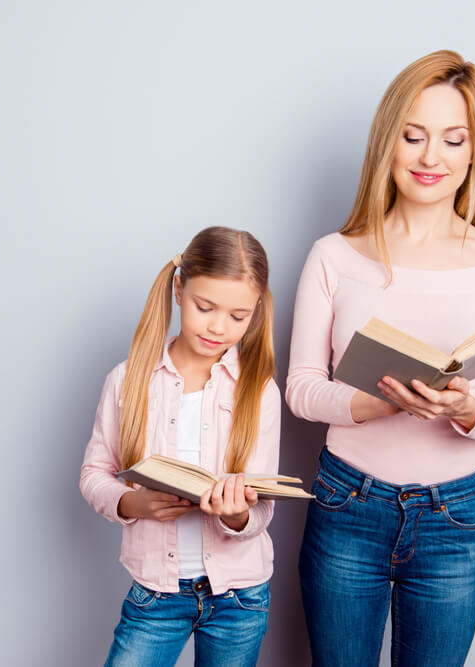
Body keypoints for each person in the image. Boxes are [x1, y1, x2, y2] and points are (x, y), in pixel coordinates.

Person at [288, 51, 475, 666]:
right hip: (347, 506)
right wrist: (375, 402)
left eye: (454, 140)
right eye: (414, 136)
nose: (432, 158)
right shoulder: (335, 256)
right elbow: (300, 389)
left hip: (454, 517)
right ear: (388, 142)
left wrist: (465, 407)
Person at [80, 226, 281, 667]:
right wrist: (135, 504)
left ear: (256, 312)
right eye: (204, 307)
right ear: (179, 288)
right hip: (156, 594)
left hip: (239, 598)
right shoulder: (128, 379)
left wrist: (237, 514)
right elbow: (95, 473)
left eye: (237, 316)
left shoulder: (258, 391)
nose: (217, 327)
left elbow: (264, 507)